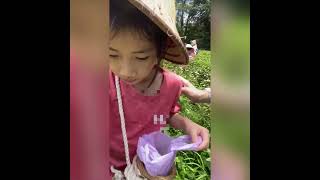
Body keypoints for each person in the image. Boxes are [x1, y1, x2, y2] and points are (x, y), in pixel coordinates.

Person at [109, 0, 209, 178]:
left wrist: (188, 125)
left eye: (141, 58)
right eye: (112, 54)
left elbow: (167, 113)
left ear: (160, 52)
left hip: (146, 170)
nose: (125, 71)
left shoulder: (172, 85)